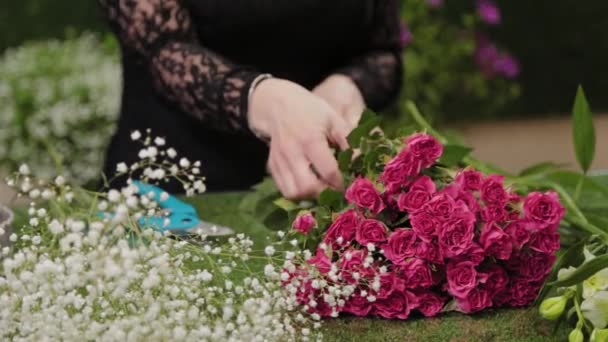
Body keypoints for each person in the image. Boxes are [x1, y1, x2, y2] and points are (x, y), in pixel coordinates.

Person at [99, 0, 403, 199]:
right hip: (176, 190)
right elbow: (162, 51)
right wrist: (267, 101)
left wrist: (346, 85)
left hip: (321, 198)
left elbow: (382, 51)